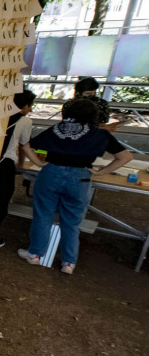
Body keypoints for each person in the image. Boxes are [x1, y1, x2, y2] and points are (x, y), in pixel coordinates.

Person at [18, 98, 132, 274]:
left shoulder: (55, 130)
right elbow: (125, 157)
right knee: (72, 221)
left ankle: (35, 254)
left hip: (51, 174)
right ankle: (69, 262)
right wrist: (101, 171)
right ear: (94, 116)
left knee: (43, 215)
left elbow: (26, 145)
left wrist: (38, 163)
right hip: (81, 177)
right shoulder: (100, 134)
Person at [0, 90, 37, 248]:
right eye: (30, 106)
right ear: (24, 106)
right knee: (0, 202)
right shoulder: (24, 121)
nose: (30, 109)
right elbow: (24, 145)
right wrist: (34, 164)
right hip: (4, 165)